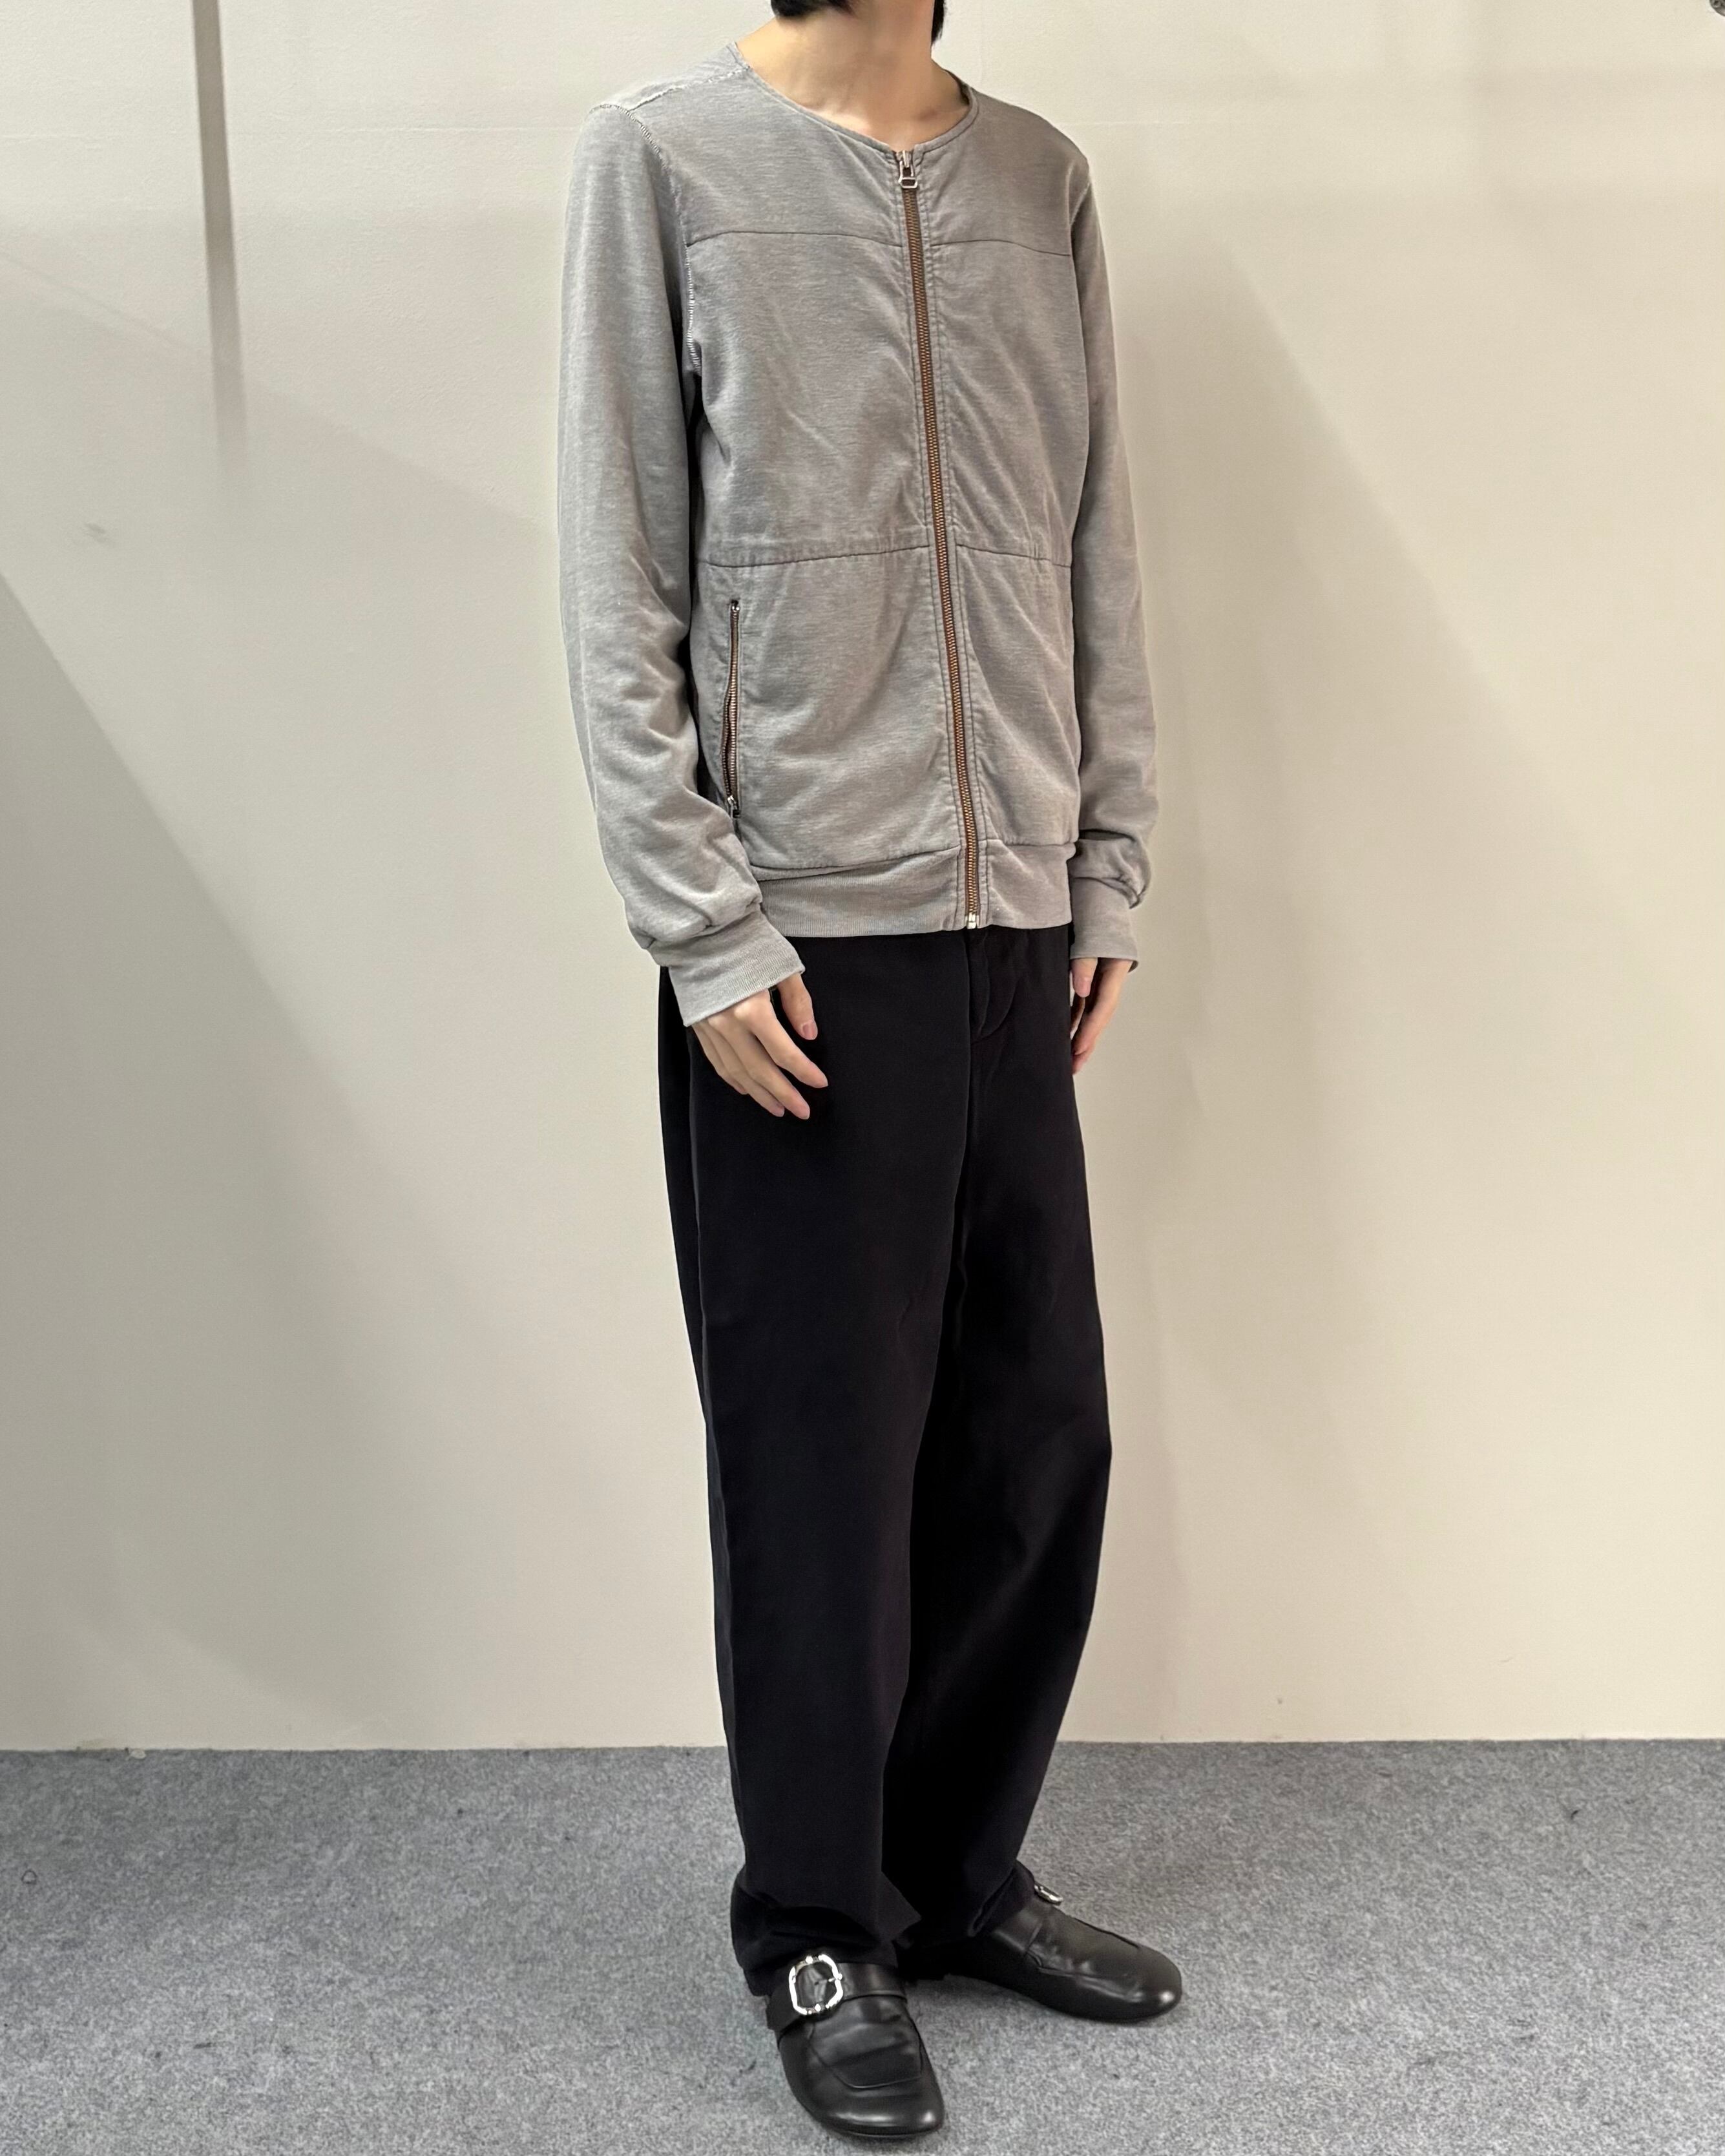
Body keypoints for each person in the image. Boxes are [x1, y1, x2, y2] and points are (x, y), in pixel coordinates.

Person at [558, 1, 1179, 2137]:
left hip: (1018, 921)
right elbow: (619, 568)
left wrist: (1106, 863)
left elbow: (1094, 541)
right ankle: (820, 1925)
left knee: (1033, 1432)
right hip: (804, 940)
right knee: (821, 1464)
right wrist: (699, 920)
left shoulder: (1039, 181)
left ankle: (956, 1873)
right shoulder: (662, 160)